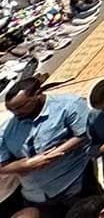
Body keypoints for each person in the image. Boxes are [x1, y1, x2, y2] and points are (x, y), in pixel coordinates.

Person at [1, 76, 93, 218]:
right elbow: (2, 165)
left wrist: (56, 152)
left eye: (20, 107)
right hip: (36, 196)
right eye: (11, 110)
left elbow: (84, 134)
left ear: (38, 94)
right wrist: (27, 165)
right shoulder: (8, 129)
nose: (16, 113)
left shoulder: (69, 105)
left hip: (74, 185)